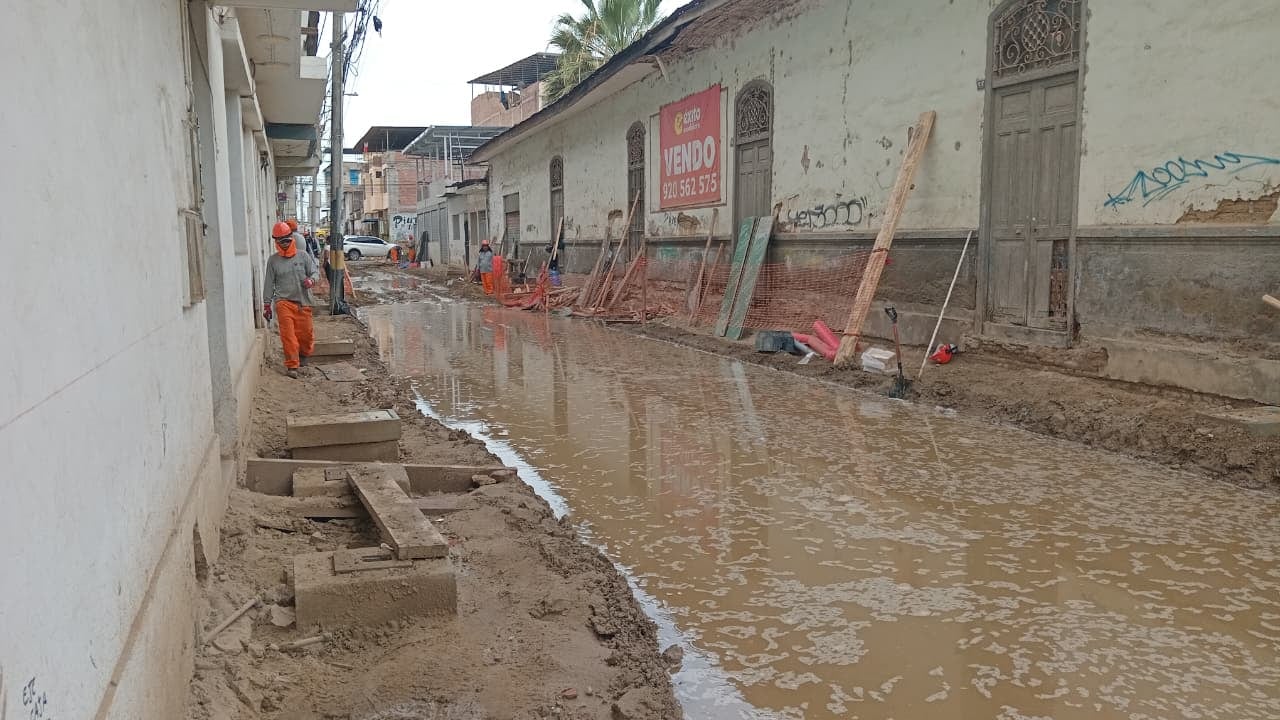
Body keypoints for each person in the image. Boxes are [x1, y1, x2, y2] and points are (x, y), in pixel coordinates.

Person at [263, 221, 319, 378]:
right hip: (283, 302)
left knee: (306, 336)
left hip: (303, 302)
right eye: (281, 242)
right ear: (276, 242)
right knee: (288, 336)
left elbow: (315, 273)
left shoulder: (303, 256)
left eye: (287, 240)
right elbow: (268, 283)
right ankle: (292, 366)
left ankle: (304, 355)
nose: (285, 244)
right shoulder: (273, 261)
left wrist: (311, 281)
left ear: (292, 238)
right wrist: (267, 304)